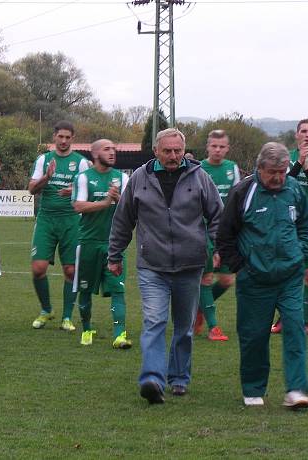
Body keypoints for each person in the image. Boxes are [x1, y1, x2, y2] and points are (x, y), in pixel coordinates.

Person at [108, 128, 223, 404]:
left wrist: (219, 248)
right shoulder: (139, 178)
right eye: (167, 151)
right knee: (154, 321)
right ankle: (152, 379)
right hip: (152, 265)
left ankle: (179, 377)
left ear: (183, 151)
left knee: (183, 327)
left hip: (190, 264)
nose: (173, 156)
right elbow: (123, 219)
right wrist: (114, 255)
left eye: (177, 151)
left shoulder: (200, 178)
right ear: (156, 151)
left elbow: (217, 215)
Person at [216, 142, 308, 408]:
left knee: (294, 328)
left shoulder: (294, 189)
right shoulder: (243, 192)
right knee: (254, 335)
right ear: (260, 168)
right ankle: (253, 388)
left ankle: (296, 389)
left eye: (282, 171)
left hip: (290, 276)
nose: (279, 177)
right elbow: (225, 236)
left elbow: (305, 223)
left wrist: (300, 252)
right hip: (255, 280)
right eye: (273, 172)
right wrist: (241, 267)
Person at [28, 120, 89, 331]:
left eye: (67, 137)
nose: (63, 141)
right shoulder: (43, 160)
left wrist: (72, 190)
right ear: (54, 137)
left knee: (71, 271)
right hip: (46, 219)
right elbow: (31, 189)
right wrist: (47, 177)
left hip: (71, 220)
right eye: (60, 136)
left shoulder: (81, 162)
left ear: (72, 139)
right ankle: (46, 310)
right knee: (38, 268)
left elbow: (87, 189)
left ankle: (66, 317)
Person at [71, 139, 132, 349]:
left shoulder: (122, 178)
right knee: (85, 290)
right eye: (107, 149)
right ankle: (87, 329)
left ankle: (119, 335)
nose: (112, 152)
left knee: (118, 289)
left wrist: (117, 200)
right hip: (88, 242)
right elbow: (78, 206)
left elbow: (130, 208)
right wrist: (105, 202)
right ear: (95, 153)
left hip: (114, 245)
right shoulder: (83, 177)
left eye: (114, 149)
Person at [271, 119, 308, 336]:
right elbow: (283, 183)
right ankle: (283, 319)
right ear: (296, 135)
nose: (307, 134)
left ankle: (303, 322)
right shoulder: (285, 158)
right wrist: (299, 163)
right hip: (286, 225)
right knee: (282, 274)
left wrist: (307, 167)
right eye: (303, 131)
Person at [195, 130, 240, 342]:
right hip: (202, 231)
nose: (218, 150)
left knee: (227, 279)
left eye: (222, 146)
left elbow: (237, 199)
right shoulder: (198, 169)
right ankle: (214, 327)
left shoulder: (232, 169)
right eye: (214, 146)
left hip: (227, 232)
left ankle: (201, 307)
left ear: (227, 148)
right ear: (208, 146)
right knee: (206, 277)